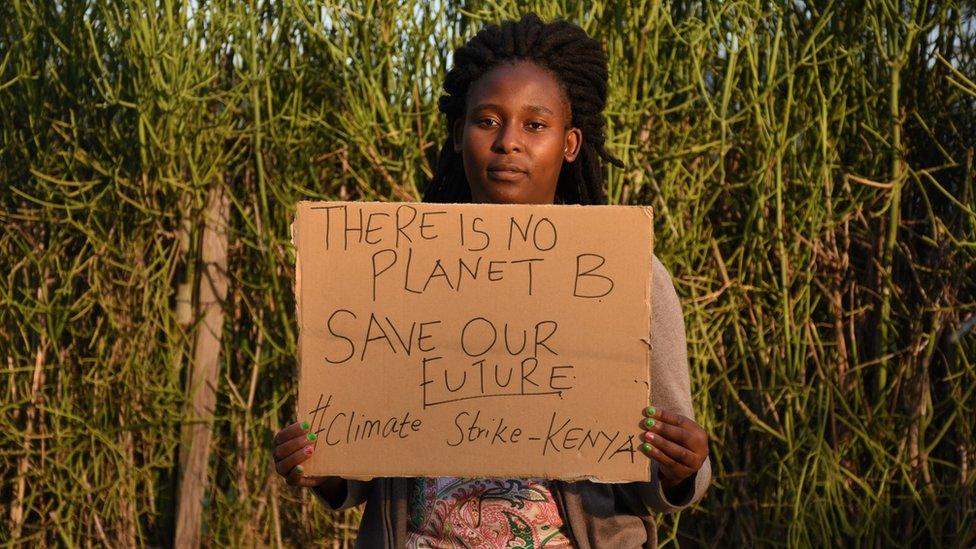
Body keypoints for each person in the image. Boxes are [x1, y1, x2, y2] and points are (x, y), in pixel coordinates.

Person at [272, 13, 710, 548]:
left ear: (570, 144)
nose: (508, 142)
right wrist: (324, 465)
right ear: (459, 135)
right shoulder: (392, 265)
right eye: (487, 121)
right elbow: (366, 447)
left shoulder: (627, 273)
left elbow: (664, 463)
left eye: (535, 124)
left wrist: (681, 465)